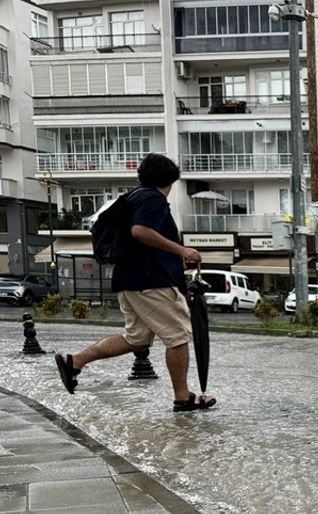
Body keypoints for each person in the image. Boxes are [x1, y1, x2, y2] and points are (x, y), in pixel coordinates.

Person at [54, 153, 216, 411]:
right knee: (178, 337)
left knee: (136, 339)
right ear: (171, 178)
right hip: (150, 281)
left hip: (130, 280)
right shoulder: (153, 199)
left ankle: (74, 361)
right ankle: (182, 397)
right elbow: (140, 231)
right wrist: (181, 250)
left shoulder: (132, 196)